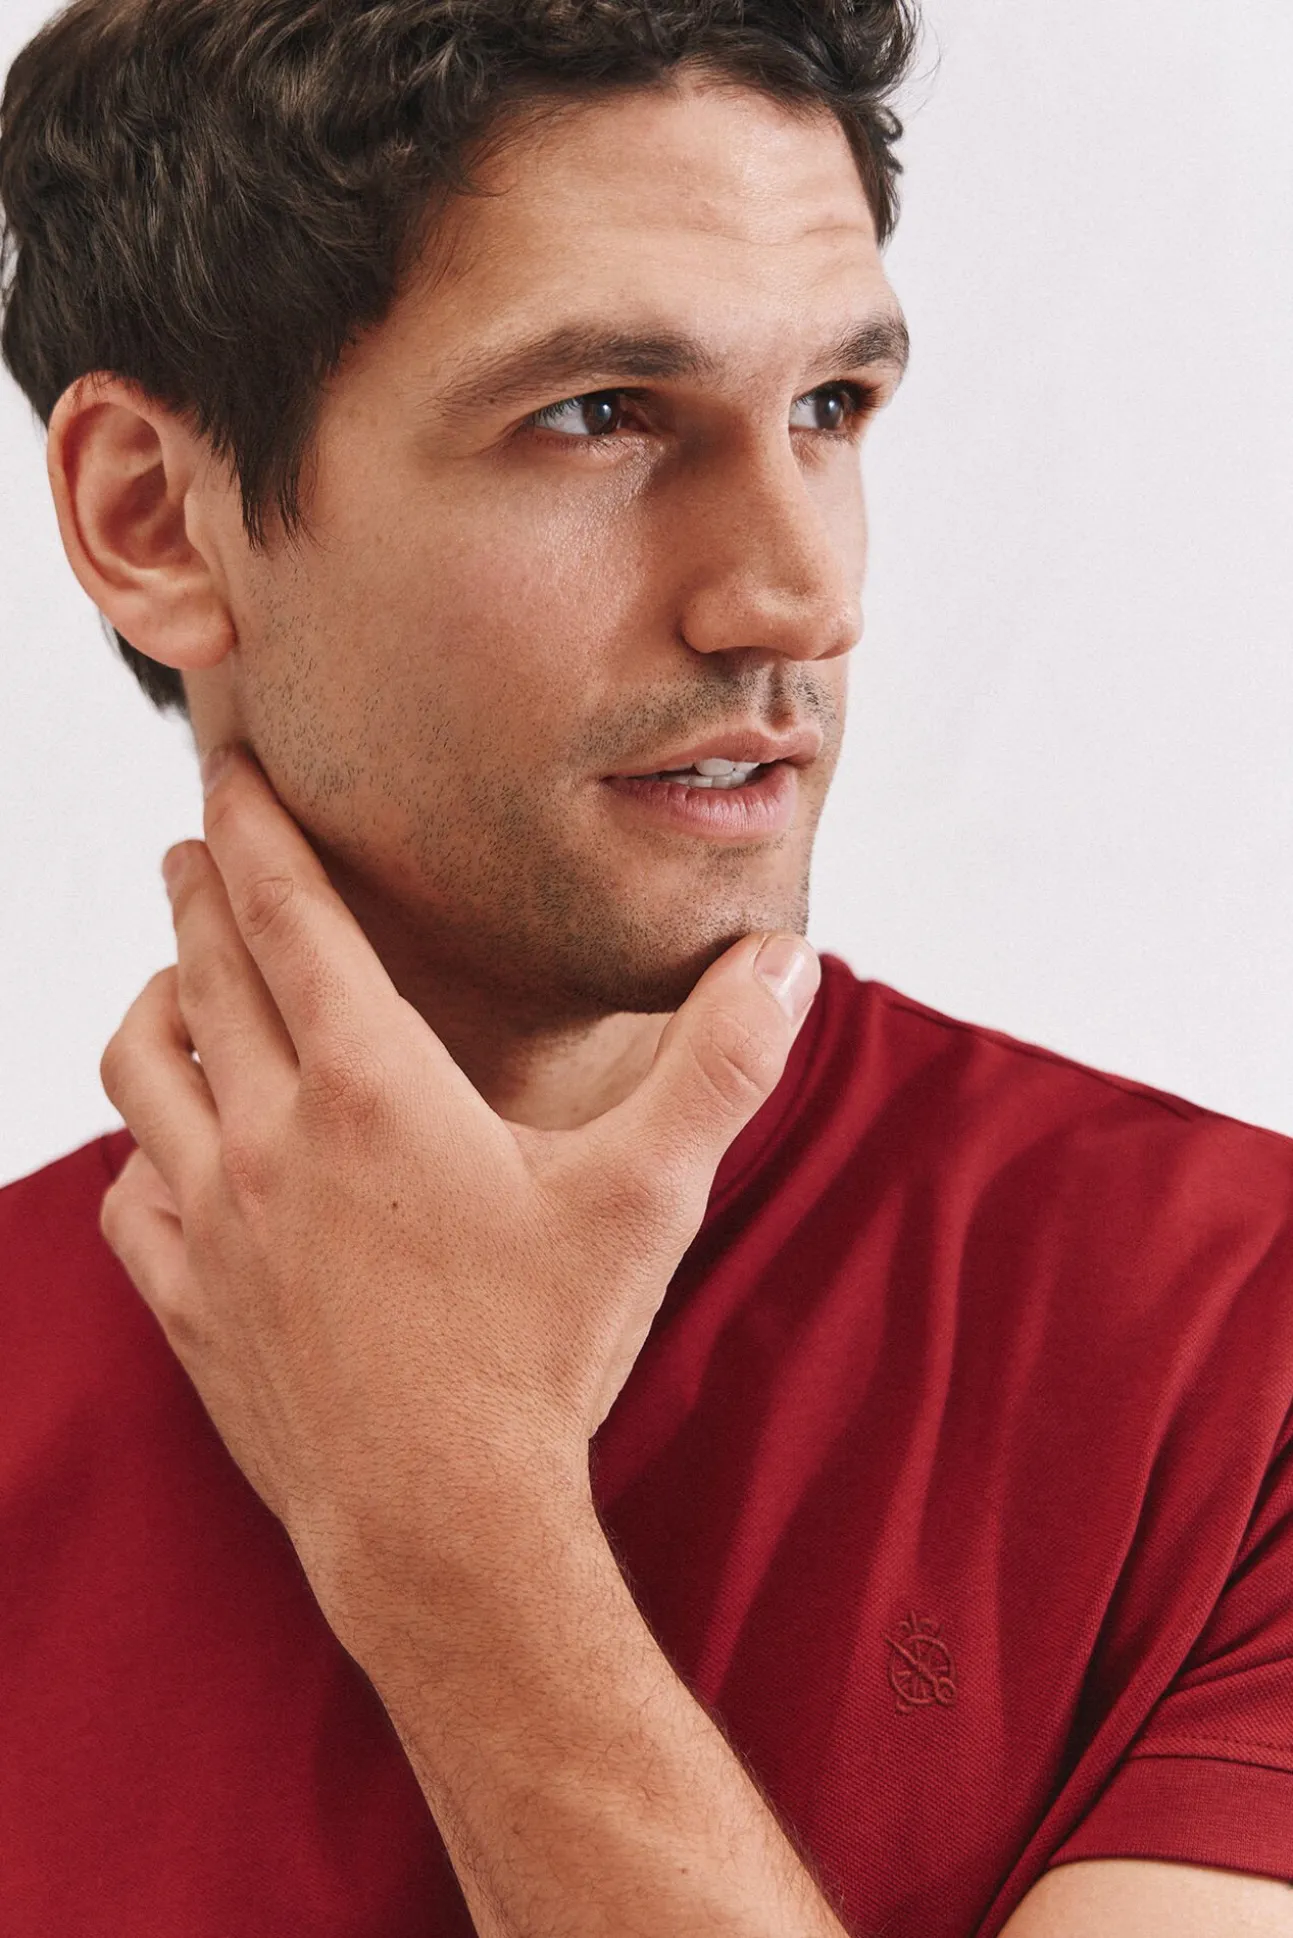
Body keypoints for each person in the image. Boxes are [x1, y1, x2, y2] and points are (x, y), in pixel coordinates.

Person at [1, 2, 1290, 1933]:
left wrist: (458, 1535)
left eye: (831, 407)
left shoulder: (1244, 1353)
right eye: (601, 412)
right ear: (151, 517)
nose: (800, 593)